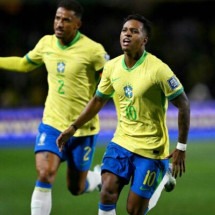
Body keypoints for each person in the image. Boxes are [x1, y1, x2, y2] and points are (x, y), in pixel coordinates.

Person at [56, 14, 190, 215]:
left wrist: (181, 147)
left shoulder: (158, 70)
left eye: (134, 31)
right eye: (124, 30)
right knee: (107, 192)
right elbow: (98, 99)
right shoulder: (112, 67)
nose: (127, 34)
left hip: (151, 149)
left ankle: (162, 177)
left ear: (144, 40)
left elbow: (184, 105)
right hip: (121, 142)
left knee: (134, 210)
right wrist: (74, 127)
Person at [0, 0, 109, 214]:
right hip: (52, 124)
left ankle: (96, 178)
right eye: (57, 18)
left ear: (77, 24)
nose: (59, 23)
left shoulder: (93, 51)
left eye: (66, 20)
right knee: (45, 173)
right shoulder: (46, 44)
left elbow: (110, 82)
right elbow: (24, 64)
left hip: (82, 129)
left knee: (76, 188)